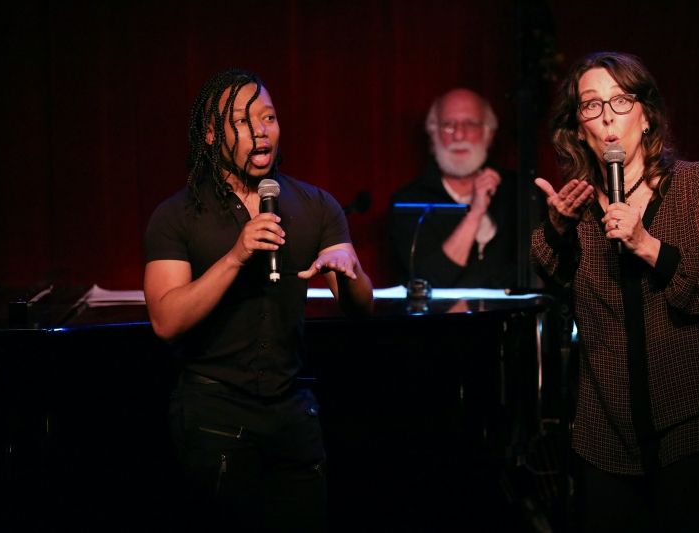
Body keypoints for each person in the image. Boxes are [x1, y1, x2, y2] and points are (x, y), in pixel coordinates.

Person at [530, 51, 699, 532]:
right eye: (591, 105)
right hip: (607, 435)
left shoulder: (694, 184)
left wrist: (649, 247)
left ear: (646, 114)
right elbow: (548, 274)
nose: (608, 115)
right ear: (578, 129)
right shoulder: (572, 207)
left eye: (620, 99)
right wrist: (555, 229)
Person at [143, 68, 373, 532]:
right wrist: (236, 255)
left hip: (293, 413)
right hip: (214, 415)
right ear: (211, 134)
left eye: (268, 117)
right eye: (244, 121)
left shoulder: (316, 205)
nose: (261, 131)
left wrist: (350, 271)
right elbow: (166, 321)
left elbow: (361, 308)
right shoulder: (177, 215)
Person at [389, 88, 519, 288]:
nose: (459, 135)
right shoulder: (408, 201)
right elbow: (429, 281)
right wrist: (475, 214)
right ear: (433, 135)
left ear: (489, 134)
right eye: (448, 125)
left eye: (470, 124)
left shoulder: (517, 192)